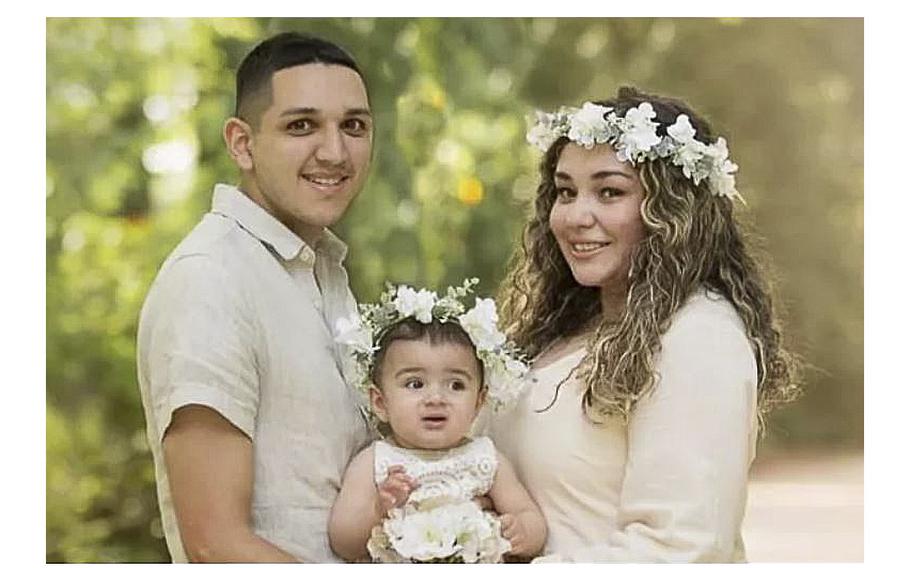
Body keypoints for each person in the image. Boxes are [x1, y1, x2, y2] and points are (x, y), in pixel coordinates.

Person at [491, 86, 802, 562]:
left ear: (672, 211)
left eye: (610, 191)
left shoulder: (698, 338)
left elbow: (676, 549)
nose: (577, 215)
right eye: (565, 191)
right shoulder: (567, 327)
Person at [136, 32, 374, 562]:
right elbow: (216, 544)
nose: (335, 152)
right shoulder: (212, 280)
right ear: (242, 144)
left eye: (353, 126)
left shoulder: (324, 277)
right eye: (301, 125)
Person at [328, 283, 547, 562]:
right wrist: (376, 510)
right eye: (415, 383)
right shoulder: (374, 462)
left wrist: (522, 531)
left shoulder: (486, 459)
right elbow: (342, 541)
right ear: (381, 403)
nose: (436, 398)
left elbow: (531, 518)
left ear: (479, 403)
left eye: (456, 385)